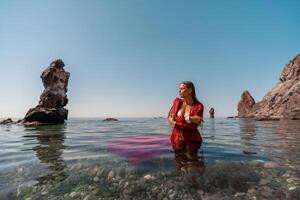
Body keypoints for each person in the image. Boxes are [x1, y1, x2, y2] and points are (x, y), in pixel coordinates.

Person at [168, 81, 204, 159]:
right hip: (177, 139)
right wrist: (173, 121)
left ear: (190, 90)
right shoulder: (178, 102)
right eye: (179, 89)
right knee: (178, 164)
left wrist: (188, 118)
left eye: (181, 89)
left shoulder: (198, 106)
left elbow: (198, 121)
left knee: (192, 164)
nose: (179, 91)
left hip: (191, 141)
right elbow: (170, 117)